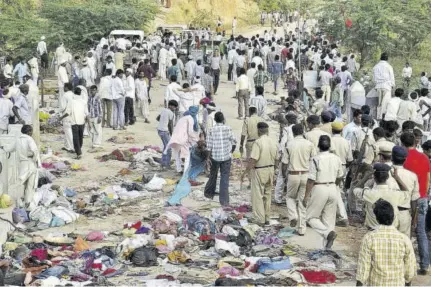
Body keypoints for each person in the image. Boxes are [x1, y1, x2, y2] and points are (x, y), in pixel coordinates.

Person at [356, 199, 416, 286]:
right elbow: (409, 270)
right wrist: (407, 283)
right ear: (393, 217)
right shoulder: (404, 240)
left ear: (377, 218)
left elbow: (363, 270)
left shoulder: (369, 238)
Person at [302, 135, 343, 249]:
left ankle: (327, 234)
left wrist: (306, 196)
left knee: (310, 218)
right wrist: (335, 184)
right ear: (329, 146)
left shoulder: (315, 159)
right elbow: (340, 176)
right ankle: (327, 247)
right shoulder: (336, 158)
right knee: (329, 220)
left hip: (319, 187)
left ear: (318, 146)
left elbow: (311, 179)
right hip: (332, 187)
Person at [401, 132, 430, 275]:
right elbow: (428, 178)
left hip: (410, 197)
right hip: (423, 197)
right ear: (415, 142)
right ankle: (425, 264)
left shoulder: (404, 159)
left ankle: (405, 264)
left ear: (402, 144)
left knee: (406, 231)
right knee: (421, 232)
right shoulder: (424, 157)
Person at [282, 124, 316, 235]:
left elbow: (284, 163)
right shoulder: (310, 144)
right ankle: (302, 228)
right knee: (302, 201)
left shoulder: (289, 144)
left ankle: (293, 216)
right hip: (306, 175)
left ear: (293, 132)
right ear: (303, 131)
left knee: (290, 197)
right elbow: (314, 161)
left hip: (293, 174)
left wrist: (284, 176)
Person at [241, 122, 277, 226]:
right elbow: (277, 158)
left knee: (257, 196)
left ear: (258, 130)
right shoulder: (273, 142)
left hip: (260, 170)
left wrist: (245, 172)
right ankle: (267, 218)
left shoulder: (258, 142)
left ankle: (259, 219)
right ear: (267, 130)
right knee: (267, 195)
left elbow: (253, 160)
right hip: (270, 169)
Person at [1, 125, 40, 206]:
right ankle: (27, 202)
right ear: (29, 132)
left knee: (22, 183)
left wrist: (2, 147)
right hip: (30, 163)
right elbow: (34, 151)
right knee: (30, 184)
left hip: (22, 164)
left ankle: (21, 201)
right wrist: (34, 158)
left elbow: (8, 148)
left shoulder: (18, 140)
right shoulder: (30, 139)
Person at [204, 112, 237, 206]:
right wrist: (231, 151)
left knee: (213, 175)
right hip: (226, 157)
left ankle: (209, 193)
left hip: (215, 157)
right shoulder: (228, 128)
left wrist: (207, 158)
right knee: (224, 178)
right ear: (223, 119)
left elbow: (209, 146)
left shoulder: (211, 130)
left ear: (214, 120)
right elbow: (234, 141)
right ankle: (224, 201)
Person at [165, 106, 200, 173]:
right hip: (182, 139)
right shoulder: (191, 119)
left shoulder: (182, 118)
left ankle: (179, 169)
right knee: (187, 156)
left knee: (177, 154)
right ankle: (185, 173)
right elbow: (190, 132)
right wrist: (196, 140)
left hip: (175, 138)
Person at [60, 87, 88, 159]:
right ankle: (79, 150)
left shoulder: (71, 101)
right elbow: (86, 113)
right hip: (82, 122)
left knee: (76, 138)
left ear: (74, 92)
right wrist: (89, 122)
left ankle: (79, 153)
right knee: (80, 137)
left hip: (74, 122)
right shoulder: (84, 101)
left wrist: (61, 117)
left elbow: (67, 112)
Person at [373, 53, 395, 120]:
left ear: (380, 58)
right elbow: (392, 77)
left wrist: (376, 84)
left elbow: (373, 78)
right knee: (385, 104)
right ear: (387, 59)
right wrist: (393, 85)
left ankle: (378, 118)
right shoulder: (389, 66)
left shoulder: (376, 66)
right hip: (387, 86)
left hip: (378, 86)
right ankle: (384, 118)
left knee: (379, 103)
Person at [157, 100, 178, 169]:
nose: (175, 109)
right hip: (164, 131)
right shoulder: (171, 113)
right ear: (170, 106)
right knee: (168, 149)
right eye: (174, 107)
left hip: (159, 130)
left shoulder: (163, 110)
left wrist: (163, 121)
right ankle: (167, 164)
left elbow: (157, 118)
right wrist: (172, 134)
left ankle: (163, 163)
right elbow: (170, 125)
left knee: (165, 147)